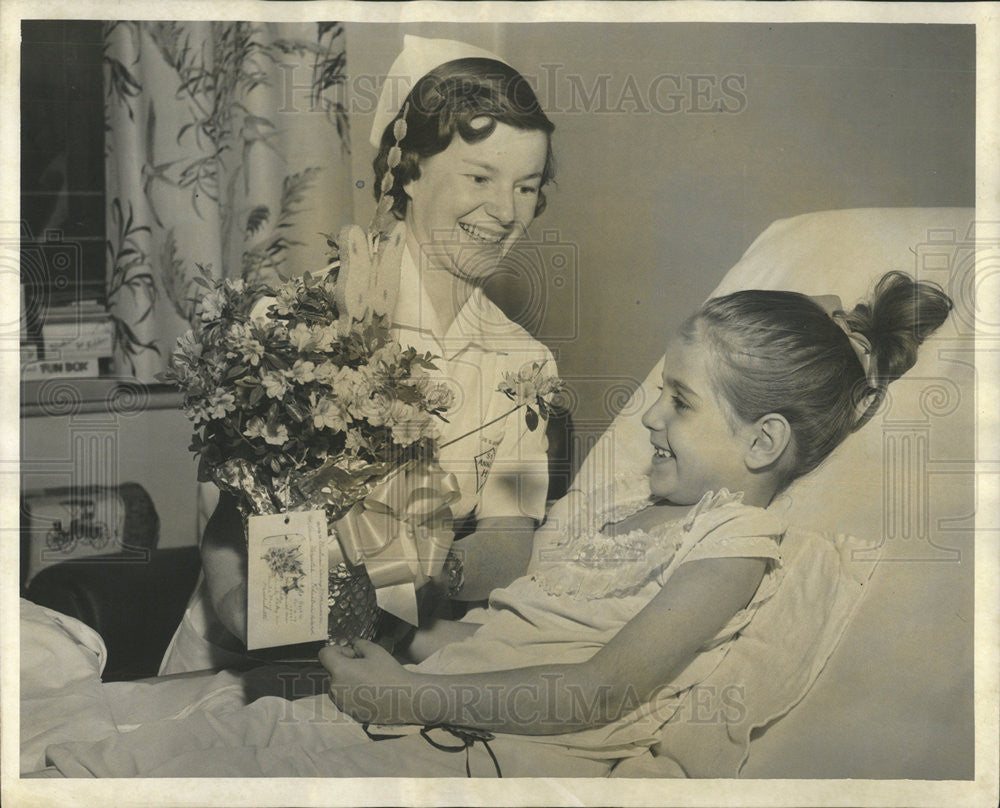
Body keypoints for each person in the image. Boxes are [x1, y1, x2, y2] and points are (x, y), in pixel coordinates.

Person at [47, 272, 952, 777]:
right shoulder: (641, 511)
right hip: (423, 706)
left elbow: (600, 691)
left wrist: (412, 696)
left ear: (763, 442)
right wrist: (400, 643)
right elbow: (515, 626)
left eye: (676, 402)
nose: (646, 419)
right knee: (128, 746)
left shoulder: (733, 547)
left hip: (471, 749)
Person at [159, 36, 561, 674]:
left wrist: (437, 569)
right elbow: (224, 514)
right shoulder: (291, 324)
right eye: (480, 177)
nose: (504, 211)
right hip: (242, 659)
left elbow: (512, 532)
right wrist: (244, 608)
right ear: (407, 173)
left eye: (526, 187)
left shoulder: (525, 365)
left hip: (391, 651)